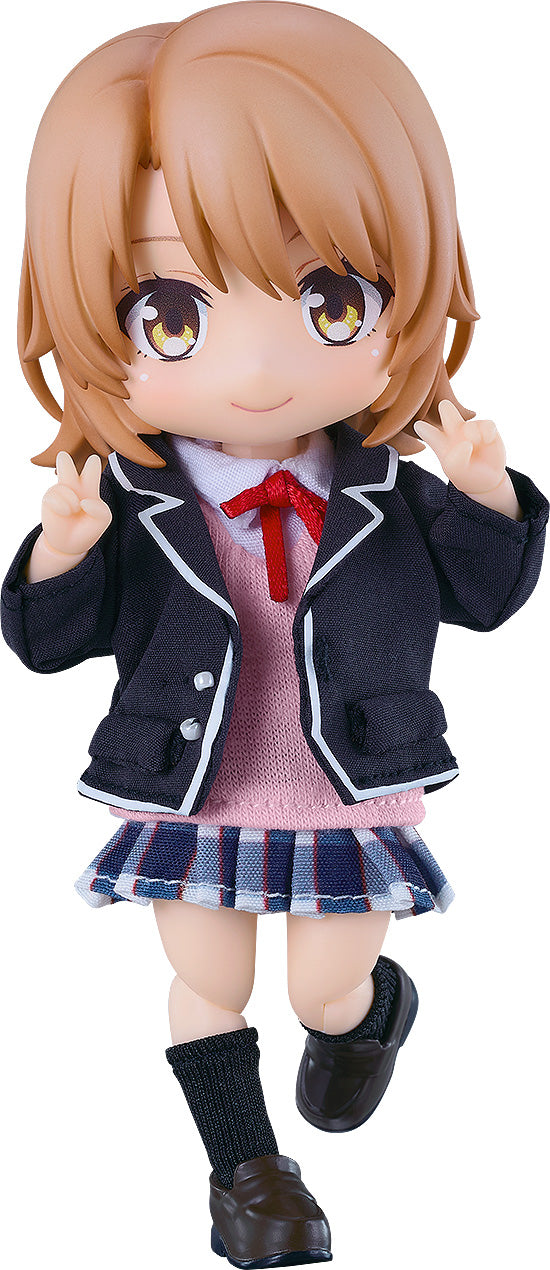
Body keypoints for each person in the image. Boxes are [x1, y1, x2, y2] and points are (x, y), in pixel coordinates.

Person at [2, 5, 547, 1266]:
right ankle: (247, 1177)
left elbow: (484, 598)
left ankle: (365, 1016)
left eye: (328, 298)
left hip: (348, 780)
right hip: (188, 782)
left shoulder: (388, 489)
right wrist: (64, 553)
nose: (257, 368)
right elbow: (46, 641)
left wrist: (483, 495)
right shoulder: (126, 502)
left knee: (318, 986)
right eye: (172, 315)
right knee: (207, 978)